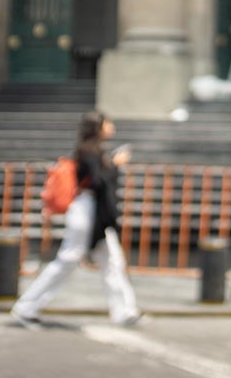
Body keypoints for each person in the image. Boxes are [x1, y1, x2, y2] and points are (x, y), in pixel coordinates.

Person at [11, 110, 141, 327]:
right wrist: (116, 165)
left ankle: (125, 311)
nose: (112, 127)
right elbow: (98, 183)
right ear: (98, 127)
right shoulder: (88, 151)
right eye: (108, 123)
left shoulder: (94, 151)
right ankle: (26, 307)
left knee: (112, 261)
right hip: (87, 211)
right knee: (69, 259)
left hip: (95, 212)